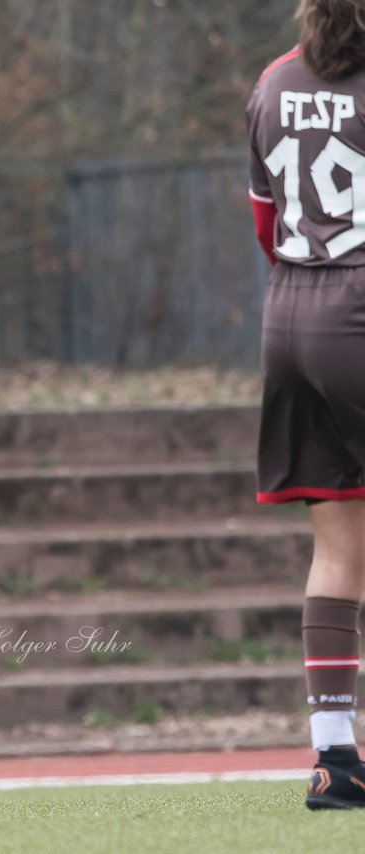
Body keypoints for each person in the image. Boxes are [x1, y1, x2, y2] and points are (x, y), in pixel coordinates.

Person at [246, 0, 365, 810]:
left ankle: (335, 761)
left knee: (339, 537)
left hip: (287, 313)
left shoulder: (274, 79)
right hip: (359, 305)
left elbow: (265, 221)